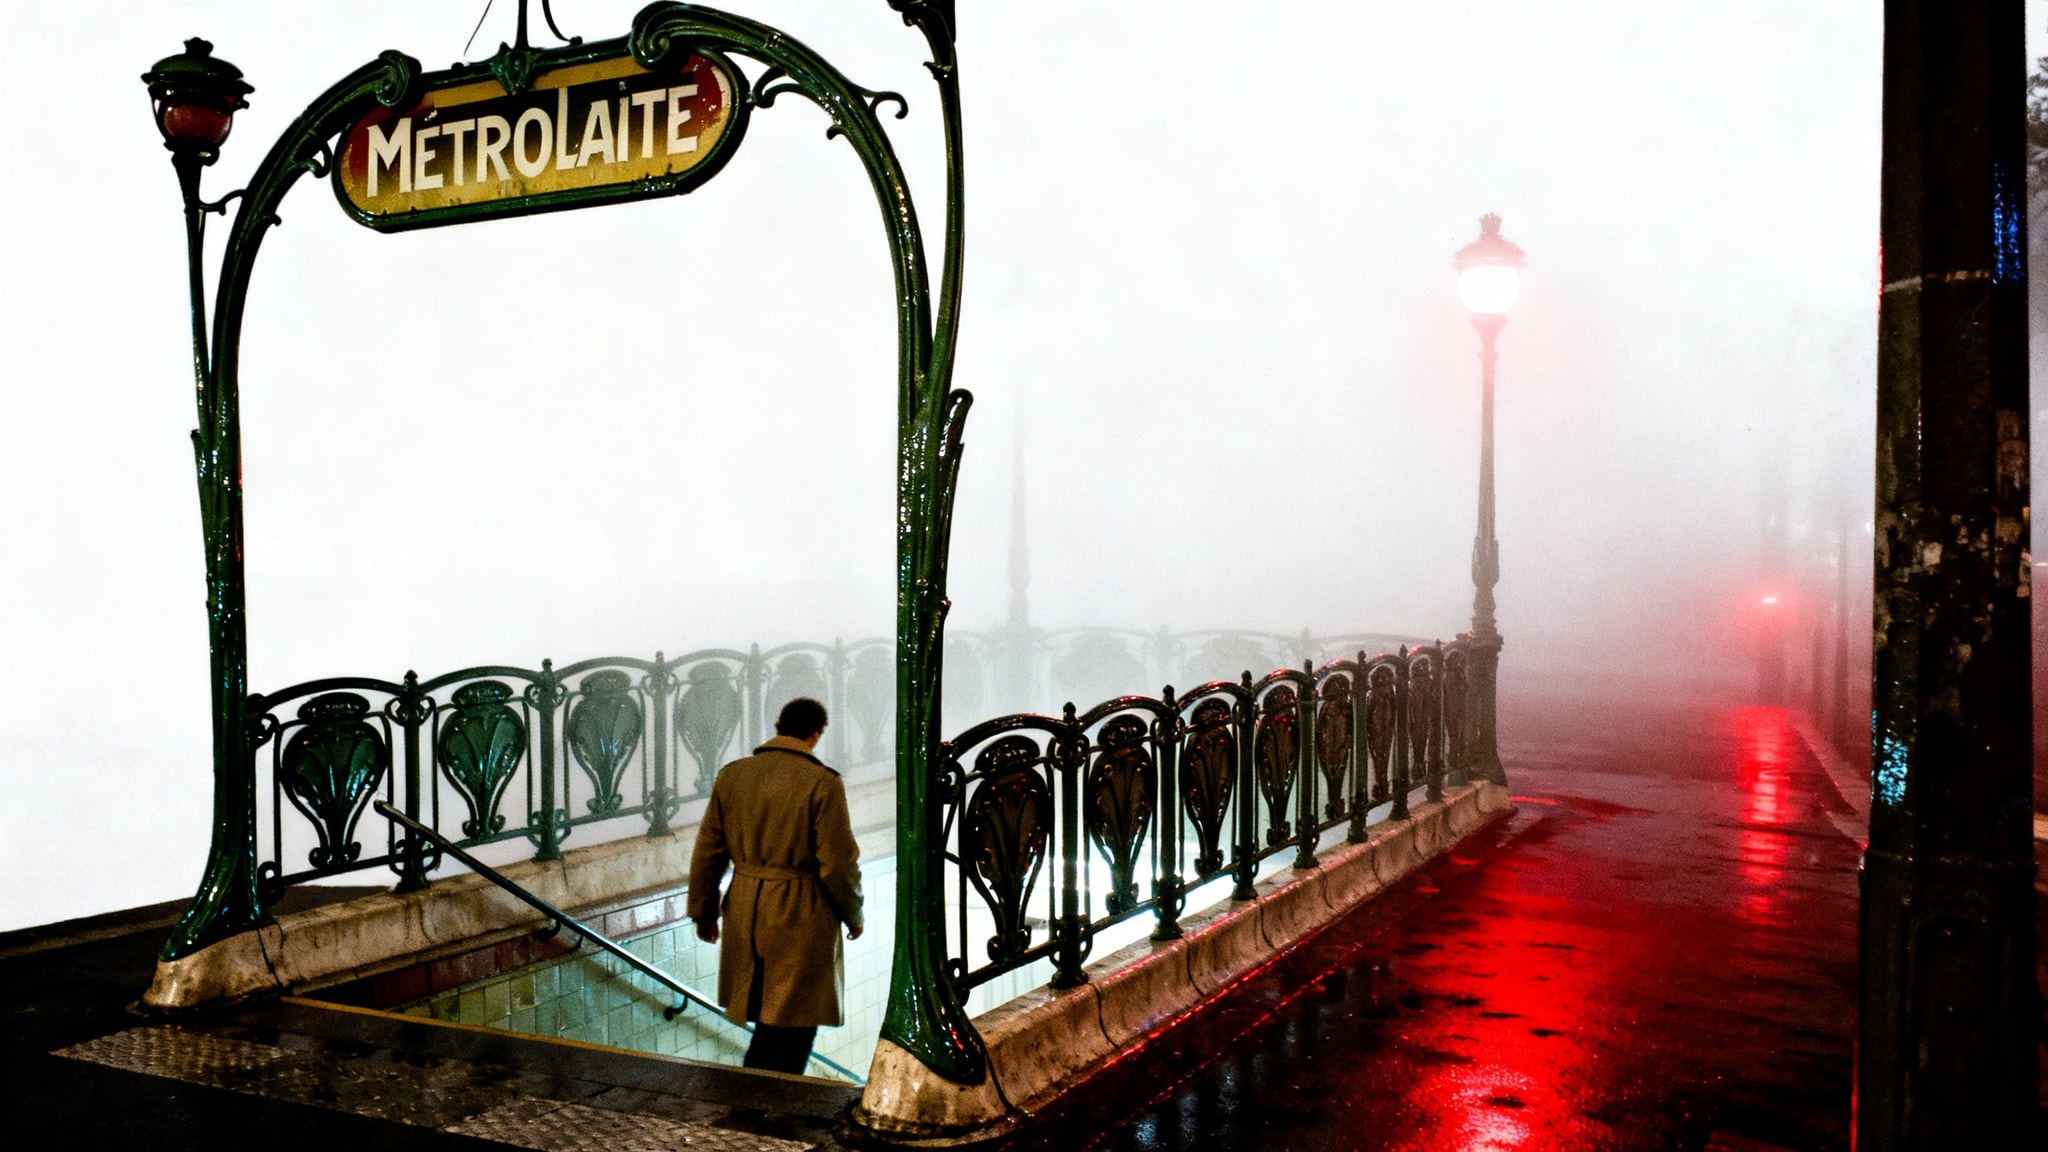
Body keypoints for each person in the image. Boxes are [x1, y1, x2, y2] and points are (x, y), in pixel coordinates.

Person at [686, 697, 864, 1075]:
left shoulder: (732, 775)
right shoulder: (822, 782)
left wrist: (704, 912)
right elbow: (837, 862)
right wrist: (854, 914)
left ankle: (755, 1104)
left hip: (746, 903)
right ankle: (768, 1109)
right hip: (800, 910)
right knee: (795, 1025)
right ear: (815, 734)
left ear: (779, 725)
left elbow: (709, 851)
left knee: (768, 1019)